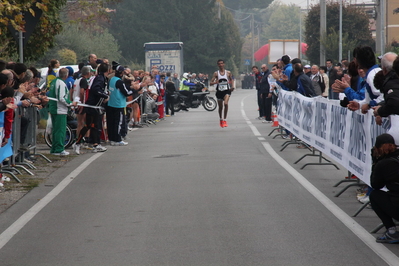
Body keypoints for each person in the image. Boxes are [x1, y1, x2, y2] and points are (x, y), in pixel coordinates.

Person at [369, 133, 399, 243]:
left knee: (375, 195)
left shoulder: (383, 164)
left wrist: (375, 162)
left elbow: (376, 185)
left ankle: (391, 231)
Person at [73, 63, 109, 154]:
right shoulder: (100, 78)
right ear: (108, 71)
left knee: (93, 126)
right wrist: (105, 95)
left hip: (95, 105)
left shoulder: (101, 78)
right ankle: (79, 143)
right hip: (92, 106)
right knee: (90, 125)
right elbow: (95, 89)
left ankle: (94, 144)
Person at [48, 68, 76, 156]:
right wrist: (71, 103)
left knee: (56, 130)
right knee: (60, 130)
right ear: (66, 75)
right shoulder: (61, 84)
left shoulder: (54, 82)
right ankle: (59, 149)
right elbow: (61, 98)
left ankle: (54, 148)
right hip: (60, 110)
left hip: (54, 109)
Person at [106, 65, 134, 146]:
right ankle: (117, 139)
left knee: (111, 123)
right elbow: (126, 93)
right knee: (118, 123)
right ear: (122, 73)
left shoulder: (111, 80)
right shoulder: (119, 82)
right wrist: (134, 89)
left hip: (111, 103)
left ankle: (112, 139)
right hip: (118, 105)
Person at [210, 59, 234, 127]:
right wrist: (215, 82)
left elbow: (231, 79)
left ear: (224, 64)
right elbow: (210, 83)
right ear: (218, 65)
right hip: (219, 91)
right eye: (219, 64)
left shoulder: (228, 73)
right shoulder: (216, 73)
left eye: (222, 63)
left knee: (226, 103)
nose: (220, 65)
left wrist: (232, 87)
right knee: (220, 107)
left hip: (227, 90)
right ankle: (221, 119)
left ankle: (225, 120)